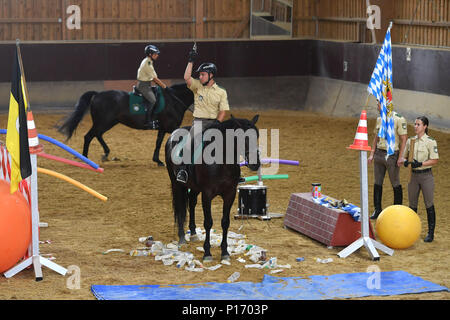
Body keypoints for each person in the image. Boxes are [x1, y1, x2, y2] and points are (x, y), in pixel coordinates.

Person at [175, 47, 230, 184]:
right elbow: (187, 77)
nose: (200, 77)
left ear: (211, 75)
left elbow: (223, 110)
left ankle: (234, 172)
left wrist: (218, 121)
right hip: (199, 122)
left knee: (230, 142)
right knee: (191, 143)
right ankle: (183, 170)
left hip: (215, 122)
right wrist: (190, 61)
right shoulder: (197, 86)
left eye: (203, 74)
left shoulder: (221, 92)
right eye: (199, 75)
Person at [368, 101, 408, 219]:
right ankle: (377, 209)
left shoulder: (398, 119)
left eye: (378, 105)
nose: (377, 107)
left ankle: (397, 210)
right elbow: (376, 138)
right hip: (379, 154)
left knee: (395, 182)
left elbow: (404, 140)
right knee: (377, 182)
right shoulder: (380, 119)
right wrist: (372, 154)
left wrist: (401, 156)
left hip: (392, 155)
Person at [402, 116, 439, 242]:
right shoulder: (410, 141)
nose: (415, 126)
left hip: (426, 176)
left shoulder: (430, 142)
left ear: (425, 126)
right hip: (413, 176)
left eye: (418, 124)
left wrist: (421, 164)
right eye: (415, 124)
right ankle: (411, 231)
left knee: (429, 204)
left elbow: (434, 160)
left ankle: (431, 232)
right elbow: (405, 157)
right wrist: (406, 162)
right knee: (412, 204)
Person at [136, 44, 168, 129]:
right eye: (155, 54)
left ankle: (154, 118)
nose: (157, 55)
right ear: (150, 54)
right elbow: (155, 79)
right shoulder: (147, 63)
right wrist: (165, 87)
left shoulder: (148, 61)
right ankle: (148, 122)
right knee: (153, 100)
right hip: (143, 86)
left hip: (147, 84)